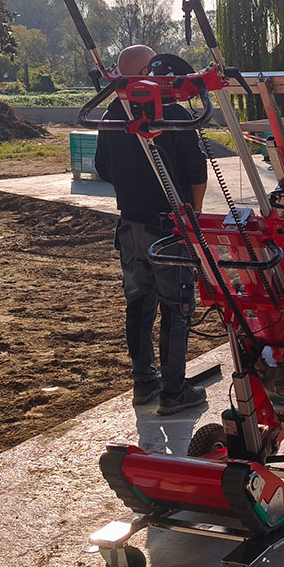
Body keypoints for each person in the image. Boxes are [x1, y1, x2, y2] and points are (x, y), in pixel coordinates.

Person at [95, 44, 210, 412]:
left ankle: (144, 382)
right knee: (176, 307)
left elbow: (102, 169)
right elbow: (196, 171)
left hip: (130, 226)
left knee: (139, 306)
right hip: (169, 227)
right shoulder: (172, 113)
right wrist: (195, 215)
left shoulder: (112, 114)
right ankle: (174, 391)